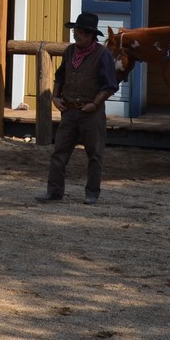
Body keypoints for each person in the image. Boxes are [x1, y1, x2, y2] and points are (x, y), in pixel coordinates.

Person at [37, 12, 120, 205]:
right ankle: (54, 191)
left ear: (91, 35)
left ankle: (92, 193)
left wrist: (95, 104)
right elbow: (60, 76)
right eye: (76, 32)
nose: (76, 36)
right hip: (69, 110)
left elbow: (109, 86)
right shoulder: (69, 51)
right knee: (59, 153)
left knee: (95, 154)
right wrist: (55, 97)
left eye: (80, 33)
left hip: (91, 113)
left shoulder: (103, 55)